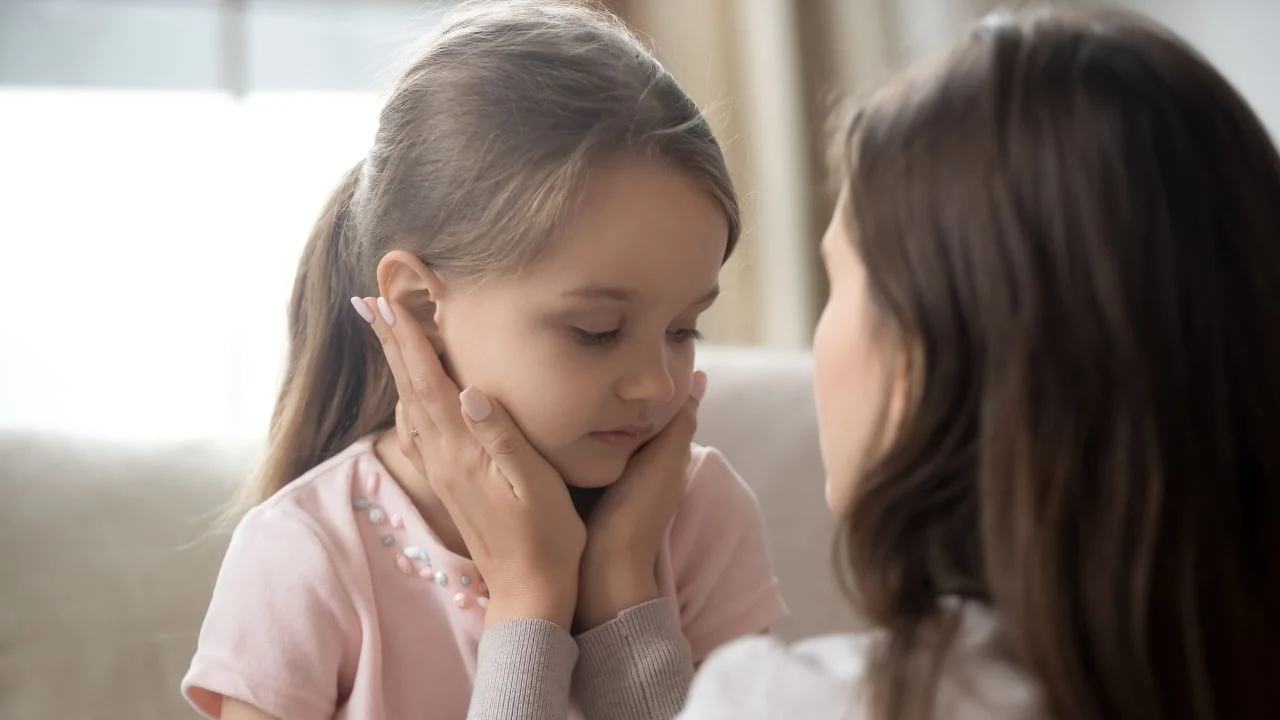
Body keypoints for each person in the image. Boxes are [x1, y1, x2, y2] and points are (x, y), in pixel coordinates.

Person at [374, 8, 1280, 720]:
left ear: (922, 359)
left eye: (839, 281)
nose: (656, 382)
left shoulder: (802, 704)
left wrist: (545, 603)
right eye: (599, 329)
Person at [180, 2, 788, 719]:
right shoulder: (304, 555)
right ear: (418, 306)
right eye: (596, 330)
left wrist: (624, 591)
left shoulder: (698, 518)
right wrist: (530, 603)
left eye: (685, 329)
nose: (655, 382)